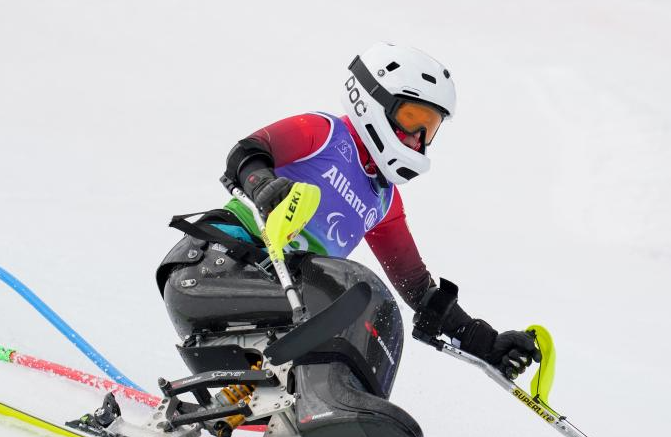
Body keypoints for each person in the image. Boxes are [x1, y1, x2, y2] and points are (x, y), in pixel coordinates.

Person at [157, 42, 540, 381]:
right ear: (374, 100)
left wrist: (484, 342)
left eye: (430, 128)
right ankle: (331, 402)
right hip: (210, 272)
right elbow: (247, 153)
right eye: (412, 119)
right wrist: (263, 185)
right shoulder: (323, 133)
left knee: (377, 313)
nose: (418, 139)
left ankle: (328, 405)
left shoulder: (384, 201)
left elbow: (417, 287)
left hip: (277, 310)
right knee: (357, 293)